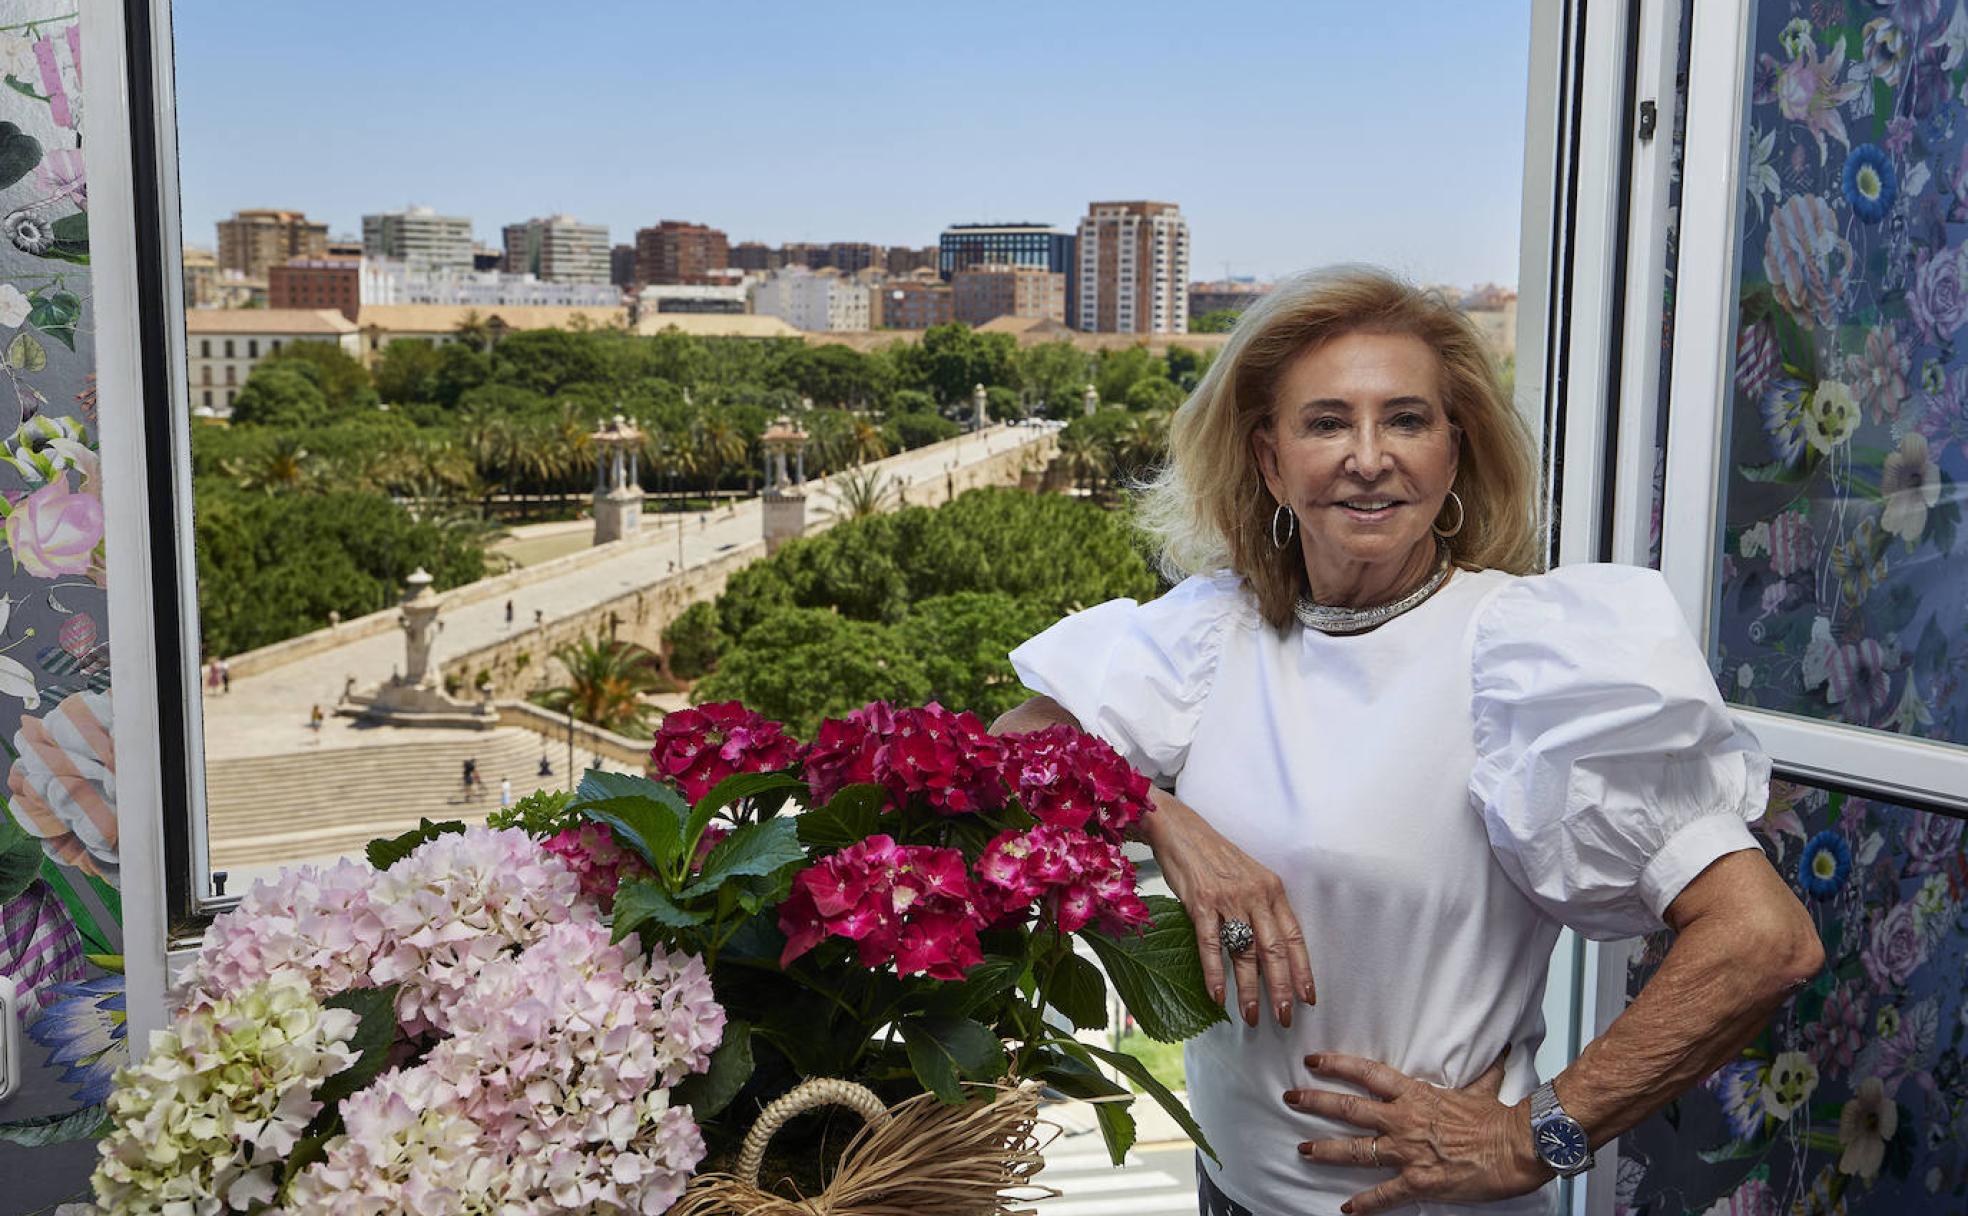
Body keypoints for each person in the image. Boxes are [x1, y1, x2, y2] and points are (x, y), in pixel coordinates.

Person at [994, 267, 1822, 1216]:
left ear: (1454, 451)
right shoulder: (1209, 634)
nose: (1369, 457)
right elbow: (1003, 758)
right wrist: (1160, 818)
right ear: (1269, 460)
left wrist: (1536, 1135)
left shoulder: (1528, 654)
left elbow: (1764, 939)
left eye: (1406, 420)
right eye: (1327, 422)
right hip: (1225, 1191)